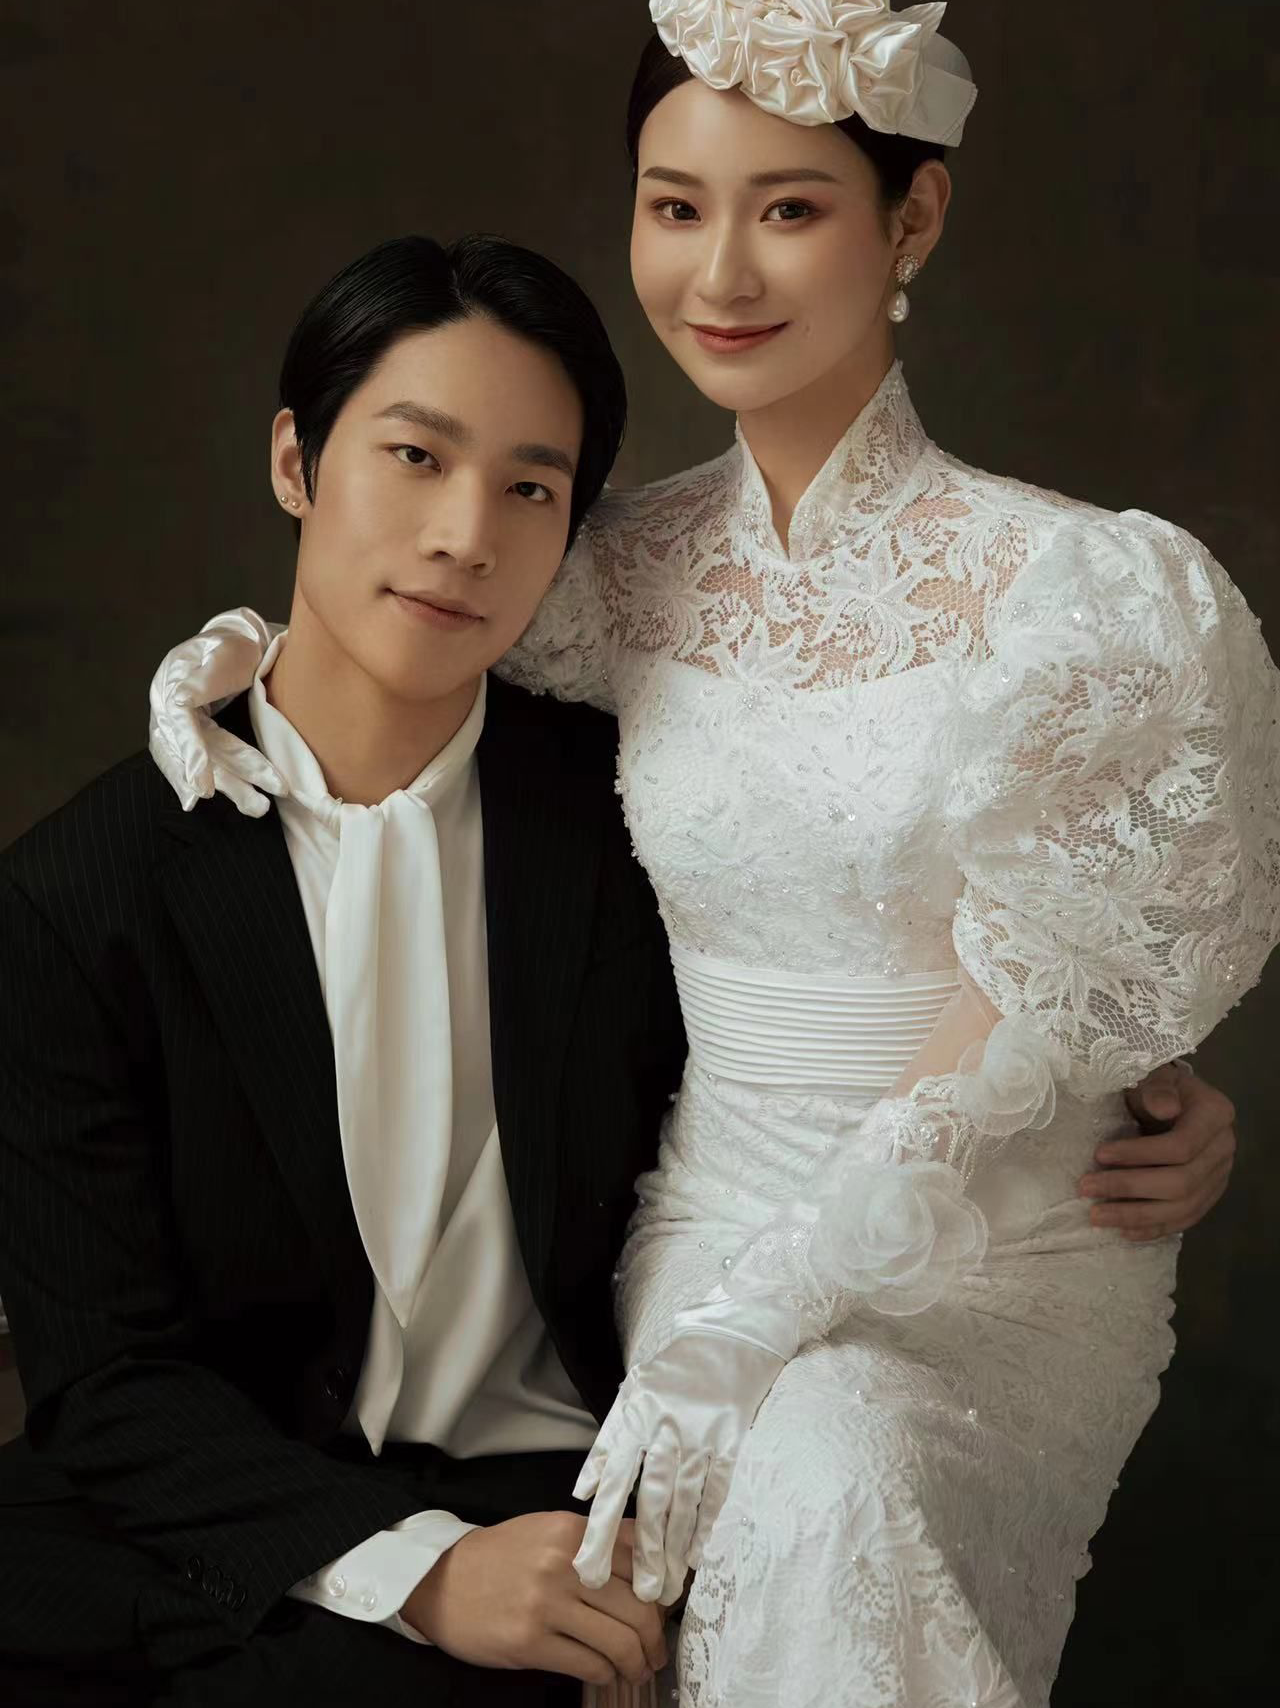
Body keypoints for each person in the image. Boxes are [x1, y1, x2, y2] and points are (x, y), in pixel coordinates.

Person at [143, 7, 1274, 1704]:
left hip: (1004, 1230)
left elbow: (1062, 989)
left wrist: (1130, 1069)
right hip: (710, 1211)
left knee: (835, 1460)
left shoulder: (1086, 595)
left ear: (914, 218)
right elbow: (402, 628)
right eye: (675, 207)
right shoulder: (620, 569)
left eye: (790, 208)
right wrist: (225, 678)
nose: (720, 273)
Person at [0, 232, 690, 1708]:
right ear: (295, 462)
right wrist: (417, 1570)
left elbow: (846, 1046)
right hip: (225, 1512)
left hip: (553, 1496)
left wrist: (1136, 1107)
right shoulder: (77, 896)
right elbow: (104, 1374)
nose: (465, 536)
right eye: (415, 457)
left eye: (531, 489)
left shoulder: (642, 824)